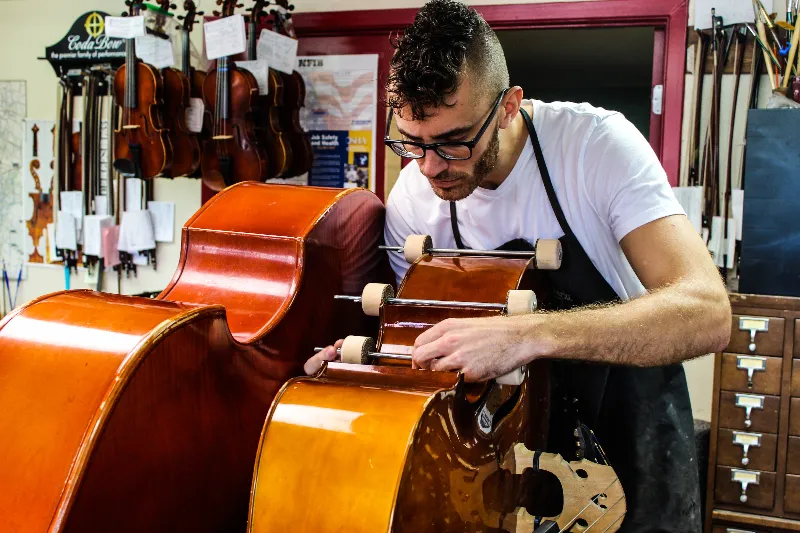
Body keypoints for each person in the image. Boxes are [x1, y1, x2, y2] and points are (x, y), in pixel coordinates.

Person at [305, 1, 731, 530]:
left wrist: (529, 334)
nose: (431, 167)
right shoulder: (415, 192)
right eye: (412, 143)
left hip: (627, 435)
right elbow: (411, 331)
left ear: (509, 106)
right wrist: (359, 361)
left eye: (454, 143)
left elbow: (707, 313)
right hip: (504, 452)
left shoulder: (594, 148)